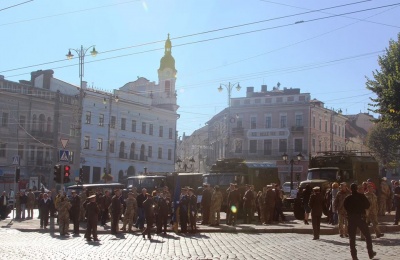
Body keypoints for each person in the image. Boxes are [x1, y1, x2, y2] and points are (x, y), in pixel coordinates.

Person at [344, 183, 376, 260]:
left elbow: (345, 207)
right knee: (367, 235)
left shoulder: (348, 198)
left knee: (352, 238)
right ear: (357, 189)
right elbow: (367, 205)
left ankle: (354, 256)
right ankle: (370, 253)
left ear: (351, 189)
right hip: (360, 218)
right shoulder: (361, 196)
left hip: (351, 219)